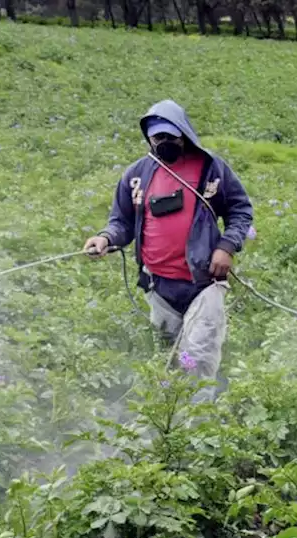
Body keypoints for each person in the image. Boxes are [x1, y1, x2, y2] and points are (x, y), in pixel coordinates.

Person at [84, 100, 253, 389]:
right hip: (159, 285)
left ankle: (197, 426)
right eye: (157, 137)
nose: (164, 142)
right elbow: (122, 221)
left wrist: (226, 246)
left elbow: (241, 211)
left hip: (205, 283)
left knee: (197, 358)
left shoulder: (211, 168)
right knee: (168, 358)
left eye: (170, 136)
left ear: (184, 133)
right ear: (149, 138)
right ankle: (170, 421)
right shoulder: (136, 175)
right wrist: (106, 238)